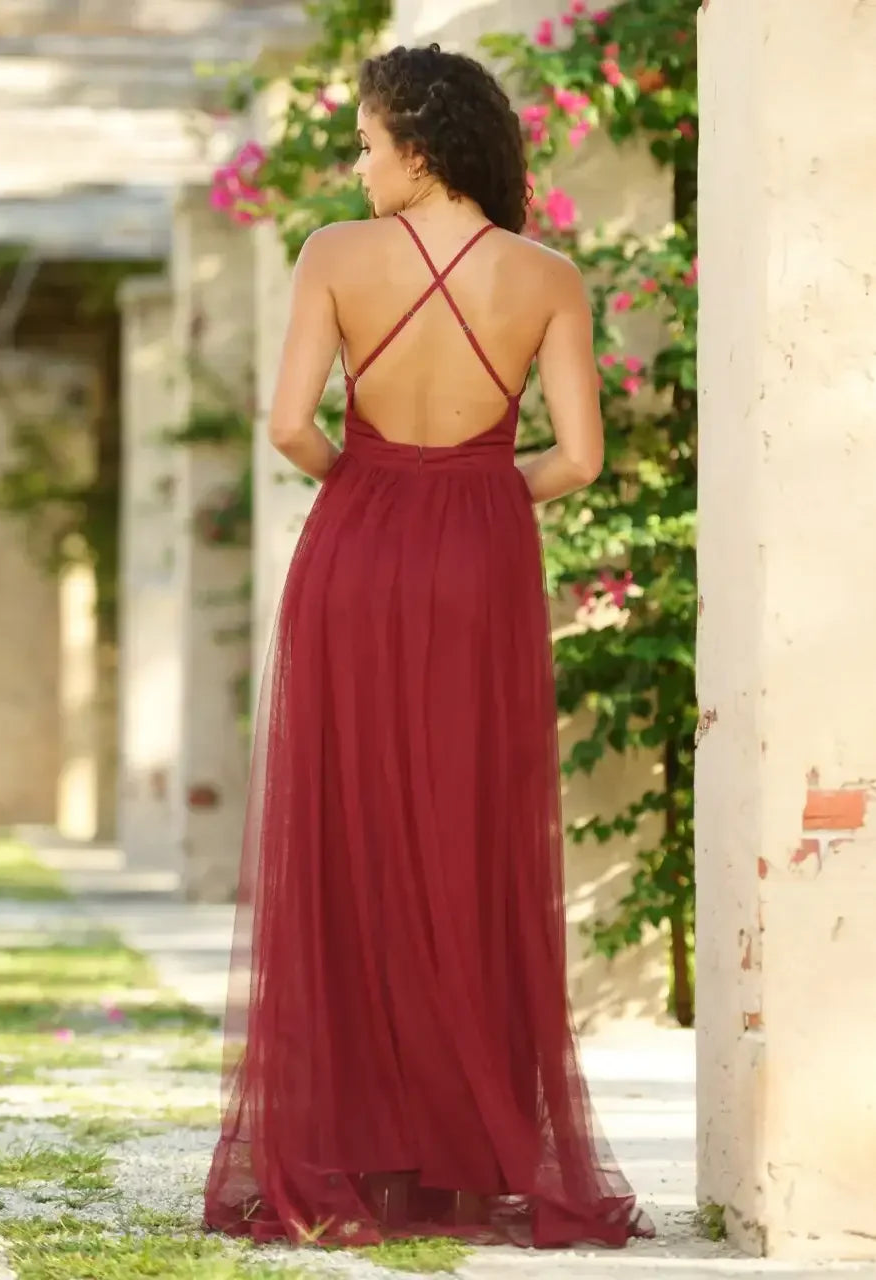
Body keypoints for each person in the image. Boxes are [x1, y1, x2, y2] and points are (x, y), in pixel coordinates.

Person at [203, 42, 654, 1251]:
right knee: (468, 834)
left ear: (417, 140)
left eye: (363, 141)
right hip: (482, 553)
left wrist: (374, 488)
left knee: (348, 833)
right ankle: (468, 1149)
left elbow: (291, 424)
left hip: (357, 545)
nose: (356, 163)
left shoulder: (333, 259)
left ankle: (355, 1145)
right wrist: (474, 496)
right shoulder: (546, 273)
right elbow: (578, 459)